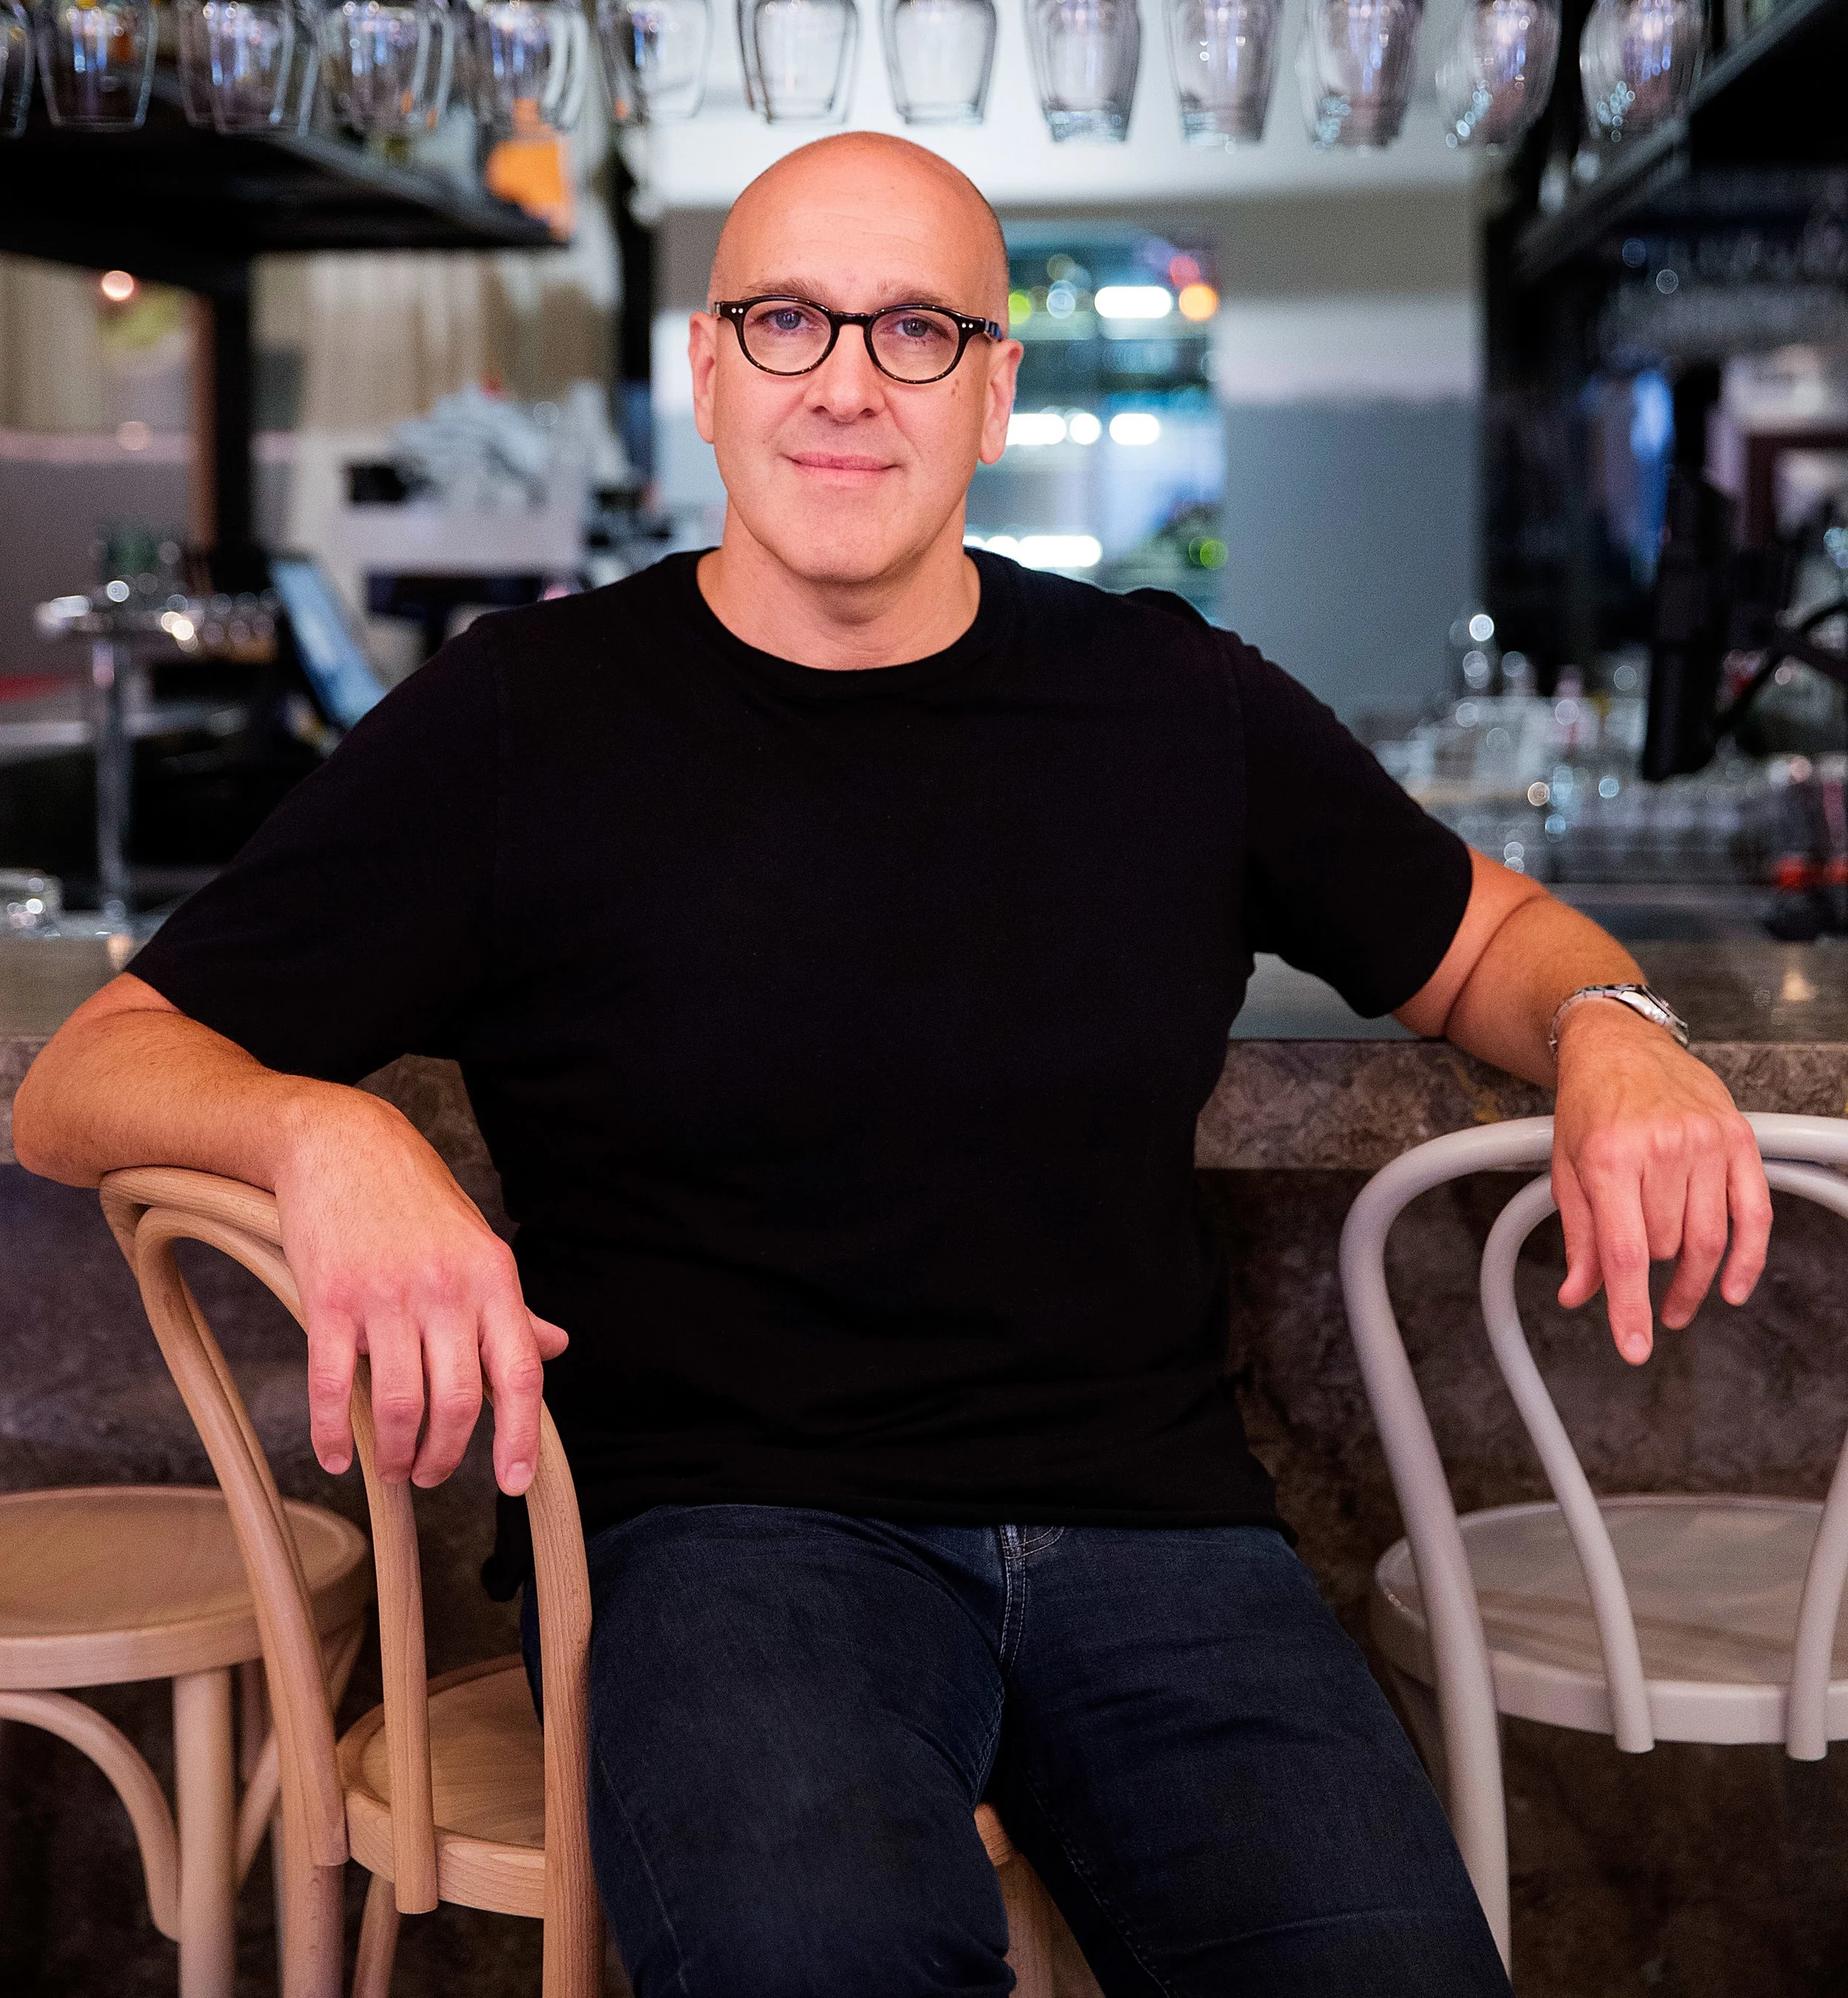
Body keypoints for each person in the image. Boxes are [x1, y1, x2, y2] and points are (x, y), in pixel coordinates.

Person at [18, 131, 1770, 1997]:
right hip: (729, 1545)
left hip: (1161, 1538)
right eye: (785, 321)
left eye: (916, 329)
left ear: (994, 388)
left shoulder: (1170, 702)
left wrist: (1616, 1030)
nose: (845, 379)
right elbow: (83, 1078)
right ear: (705, 371)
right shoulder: (521, 719)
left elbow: (1490, 938)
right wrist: (318, 1126)